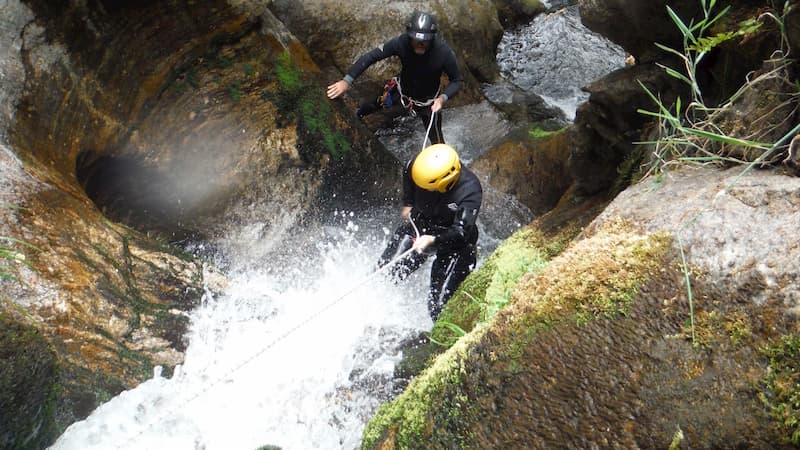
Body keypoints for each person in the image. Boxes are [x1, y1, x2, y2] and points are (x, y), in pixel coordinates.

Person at [377, 143, 482, 321]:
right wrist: (408, 203)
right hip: (421, 224)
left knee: (438, 302)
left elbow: (462, 231)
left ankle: (439, 330)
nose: (424, 190)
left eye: (427, 187)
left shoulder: (469, 190)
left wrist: (433, 240)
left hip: (455, 243)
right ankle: (375, 299)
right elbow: (408, 172)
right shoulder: (416, 167)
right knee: (388, 273)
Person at [326, 11, 462, 145]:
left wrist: (442, 98)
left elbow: (456, 80)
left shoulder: (443, 52)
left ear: (432, 38)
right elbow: (371, 57)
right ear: (410, 36)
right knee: (370, 106)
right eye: (416, 40)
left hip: (429, 103)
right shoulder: (401, 43)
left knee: (437, 141)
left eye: (424, 41)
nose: (420, 44)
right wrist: (346, 81)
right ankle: (355, 118)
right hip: (401, 91)